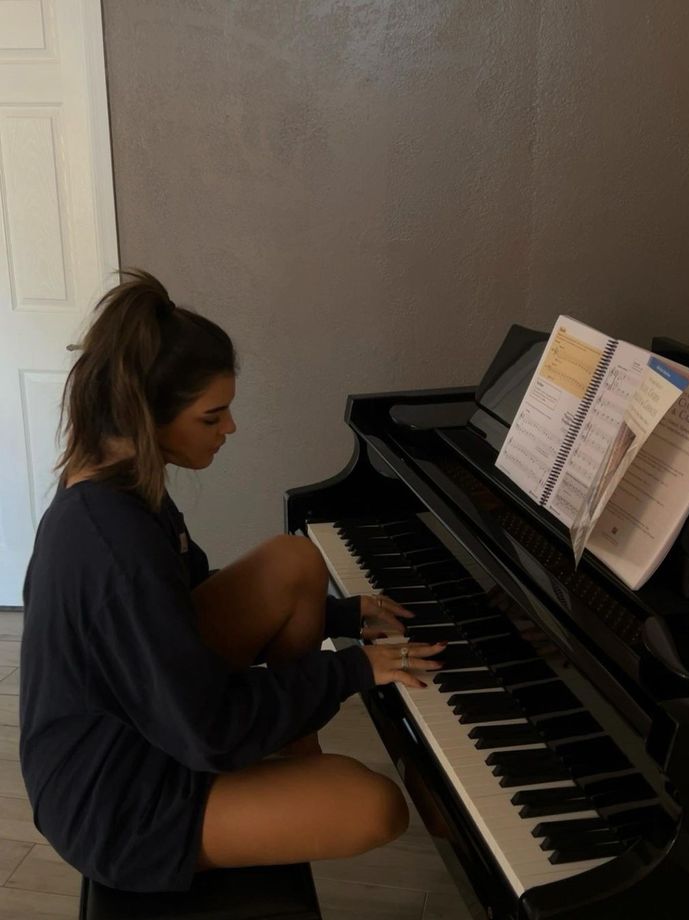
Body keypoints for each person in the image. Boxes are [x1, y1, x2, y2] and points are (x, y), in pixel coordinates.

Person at [18, 269, 446, 892]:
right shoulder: (114, 545)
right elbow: (207, 729)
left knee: (294, 562)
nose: (230, 430)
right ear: (148, 415)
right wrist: (353, 669)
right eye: (212, 416)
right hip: (114, 801)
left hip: (146, 713)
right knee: (376, 806)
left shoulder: (116, 480)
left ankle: (287, 772)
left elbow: (176, 612)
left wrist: (342, 618)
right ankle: (287, 782)